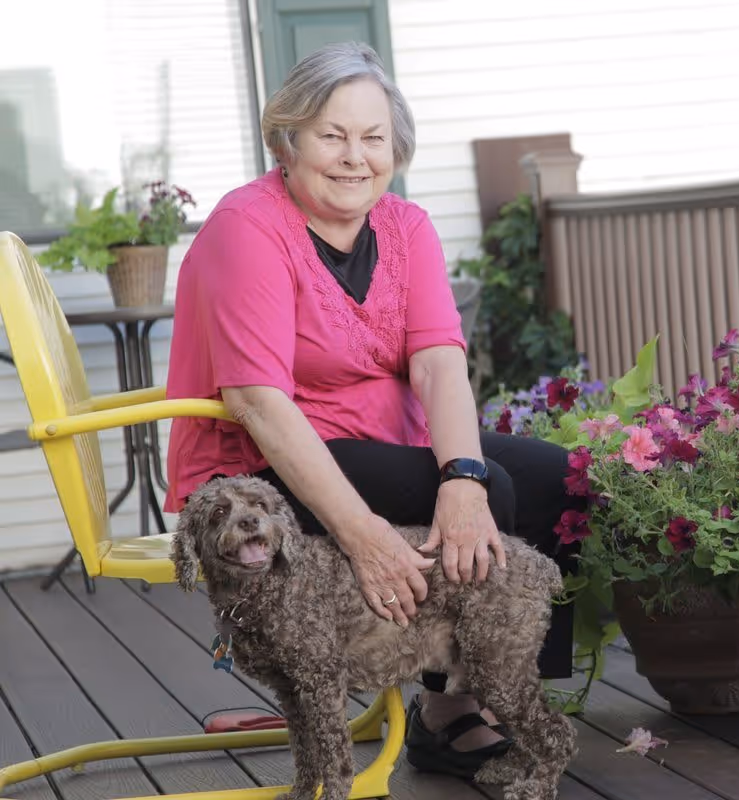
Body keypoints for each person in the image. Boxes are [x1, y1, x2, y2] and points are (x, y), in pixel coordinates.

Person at [163, 41, 581, 780]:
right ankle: (449, 714)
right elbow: (258, 402)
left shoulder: (405, 226)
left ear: (396, 148)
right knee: (499, 494)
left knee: (556, 478)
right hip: (262, 461)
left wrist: (460, 474)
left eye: (374, 138)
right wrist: (364, 538)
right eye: (332, 135)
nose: (355, 157)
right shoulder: (246, 228)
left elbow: (438, 361)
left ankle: (482, 685)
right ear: (286, 141)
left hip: (379, 437)